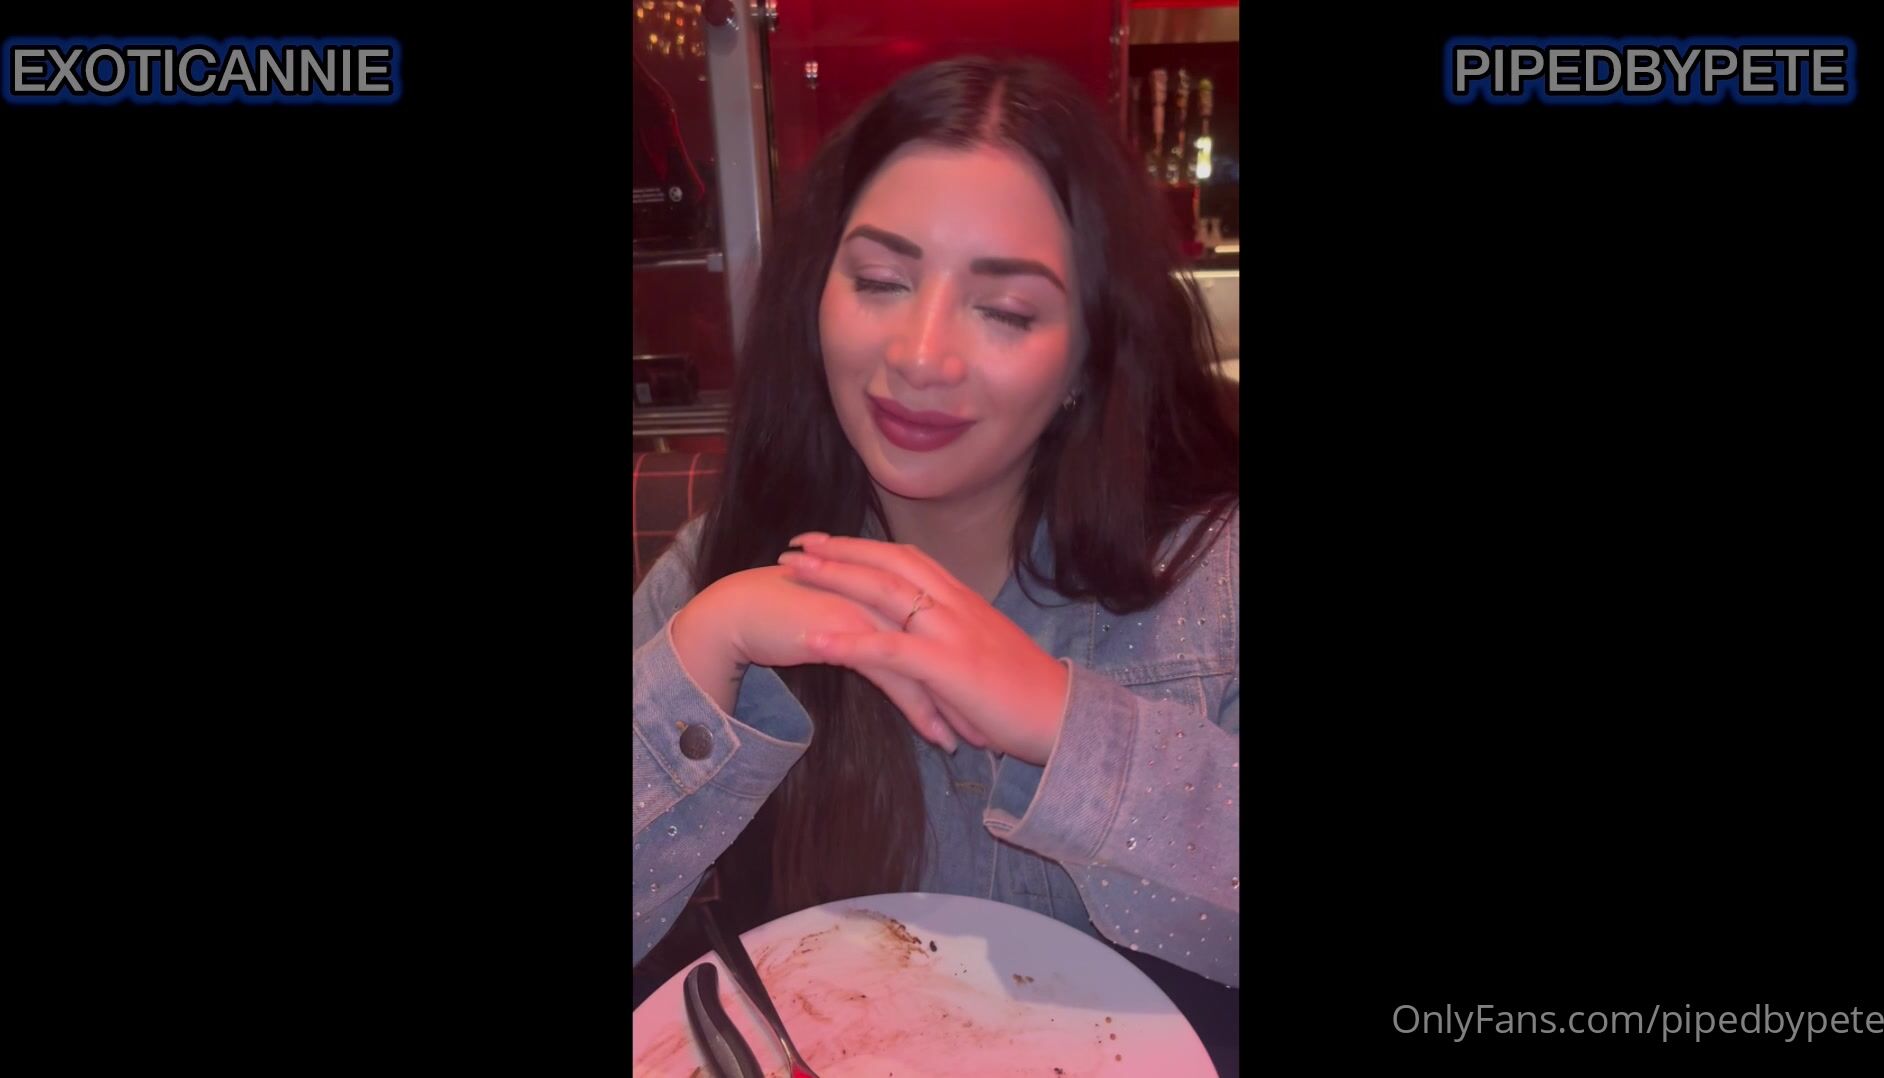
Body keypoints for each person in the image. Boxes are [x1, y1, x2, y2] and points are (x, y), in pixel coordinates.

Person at [632, 55, 1240, 992]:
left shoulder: (1211, 576)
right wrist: (708, 642)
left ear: (1088, 356)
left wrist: (1064, 725)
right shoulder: (717, 565)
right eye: (881, 280)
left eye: (1005, 310)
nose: (921, 356)